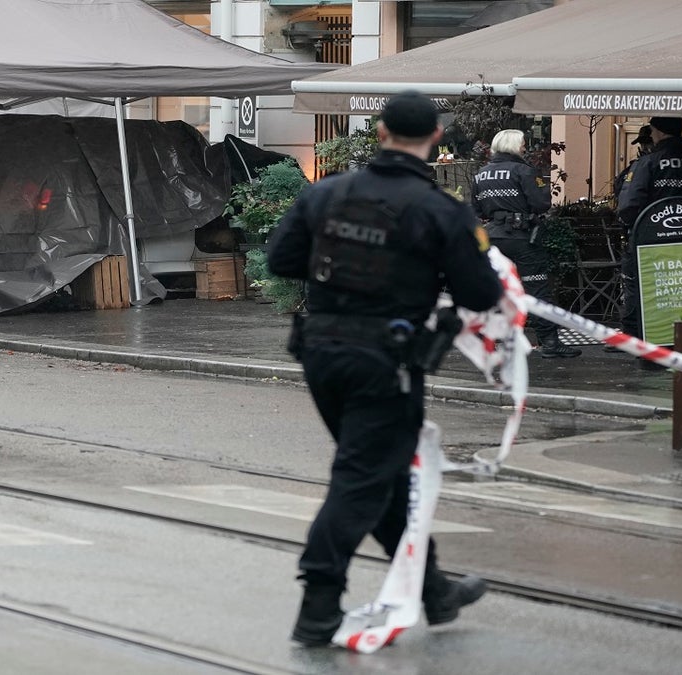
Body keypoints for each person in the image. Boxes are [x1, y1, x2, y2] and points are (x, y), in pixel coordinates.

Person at [267, 91, 501, 647]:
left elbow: (280, 260)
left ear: (379, 131)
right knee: (362, 477)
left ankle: (433, 591)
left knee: (382, 472)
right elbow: (481, 292)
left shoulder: (326, 192)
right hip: (385, 362)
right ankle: (318, 603)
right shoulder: (439, 208)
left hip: (322, 353)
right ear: (437, 137)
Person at [472, 129, 581, 358]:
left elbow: (477, 209)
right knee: (537, 290)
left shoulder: (481, 173)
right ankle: (549, 343)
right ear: (513, 145)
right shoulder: (524, 171)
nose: (524, 148)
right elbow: (541, 203)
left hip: (493, 238)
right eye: (522, 144)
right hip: (522, 238)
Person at [617, 117, 682, 341]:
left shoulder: (646, 163)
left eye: (652, 131)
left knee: (641, 285)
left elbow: (628, 205)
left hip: (651, 241)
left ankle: (637, 337)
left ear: (659, 132)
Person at [612, 125, 653, 205]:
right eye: (642, 144)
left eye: (648, 143)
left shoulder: (660, 165)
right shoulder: (636, 165)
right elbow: (620, 187)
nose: (644, 147)